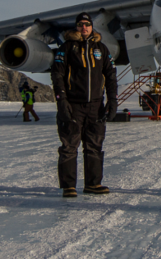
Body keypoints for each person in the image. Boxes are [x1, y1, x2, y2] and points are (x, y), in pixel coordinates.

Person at [51, 12, 118, 197]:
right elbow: (57, 76)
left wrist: (112, 100)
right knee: (69, 146)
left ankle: (93, 184)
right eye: (80, 24)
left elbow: (111, 75)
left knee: (94, 146)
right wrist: (62, 100)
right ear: (76, 27)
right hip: (73, 105)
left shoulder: (101, 49)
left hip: (95, 106)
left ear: (91, 27)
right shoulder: (66, 48)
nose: (84, 27)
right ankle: (69, 186)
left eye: (87, 24)